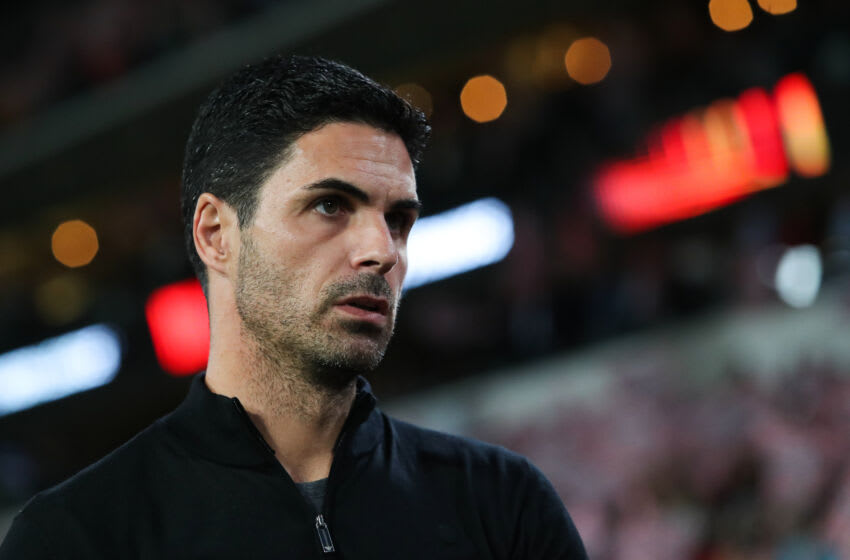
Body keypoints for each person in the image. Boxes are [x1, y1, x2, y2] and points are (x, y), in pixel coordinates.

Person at [0, 54, 587, 559]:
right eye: (331, 205)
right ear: (216, 235)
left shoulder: (502, 503)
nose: (381, 250)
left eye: (399, 220)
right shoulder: (75, 538)